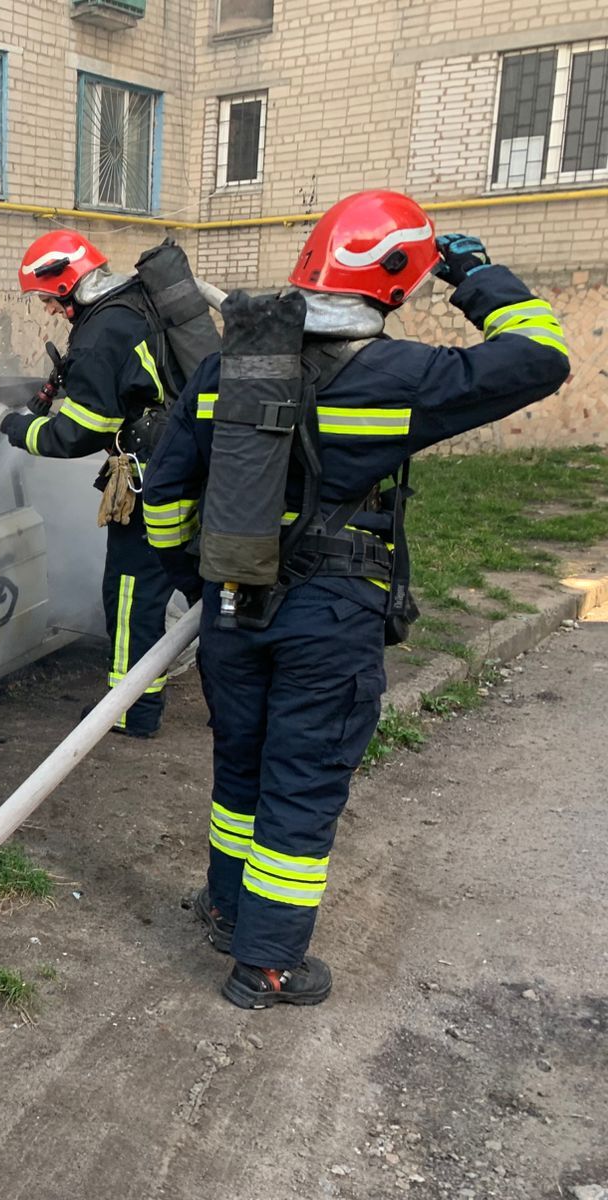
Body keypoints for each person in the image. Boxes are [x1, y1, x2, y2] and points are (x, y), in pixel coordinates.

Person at [142, 190, 571, 1008]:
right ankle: (267, 966)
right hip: (328, 618)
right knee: (300, 787)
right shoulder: (404, 377)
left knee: (240, 772)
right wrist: (476, 277)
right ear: (397, 282)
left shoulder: (223, 366)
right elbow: (540, 355)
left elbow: (165, 492)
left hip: (232, 604)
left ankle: (229, 914)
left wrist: (191, 583)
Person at [0, 230, 176, 738]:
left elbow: (76, 434)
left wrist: (9, 424)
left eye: (45, 298)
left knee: (130, 594)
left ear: (64, 283)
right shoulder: (131, 305)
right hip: (183, 464)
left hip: (154, 479)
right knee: (185, 583)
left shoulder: (99, 332)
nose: (46, 309)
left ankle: (132, 709)